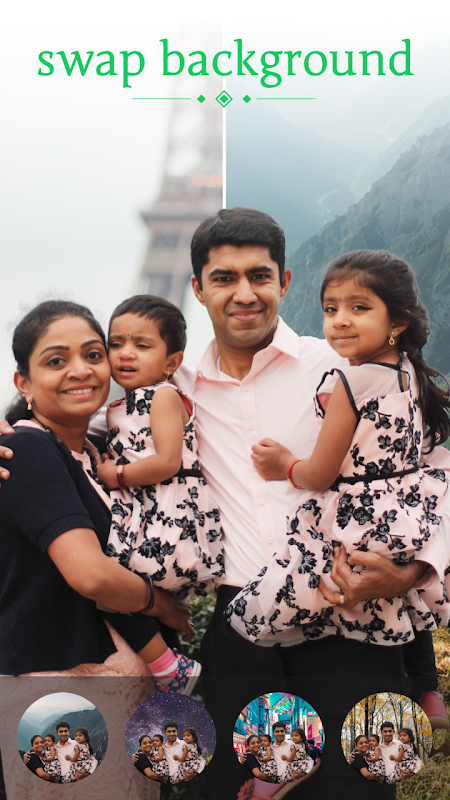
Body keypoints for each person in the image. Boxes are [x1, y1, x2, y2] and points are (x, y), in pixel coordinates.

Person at [1, 209, 449, 798]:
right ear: (197, 288)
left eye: (259, 276)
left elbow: (435, 471)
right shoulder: (172, 389)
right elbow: (71, 438)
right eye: (223, 278)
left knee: (357, 785)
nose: (244, 293)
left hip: (353, 615)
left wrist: (411, 571)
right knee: (227, 788)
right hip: (238, 628)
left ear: (284, 282)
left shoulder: (344, 366)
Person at [0, 301, 192, 800]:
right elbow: (90, 575)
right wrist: (161, 604)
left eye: (92, 354)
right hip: (61, 696)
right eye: (56, 360)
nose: (80, 370)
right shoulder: (27, 450)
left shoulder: (95, 452)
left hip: (110, 692)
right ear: (23, 383)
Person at [228, 249, 450, 644]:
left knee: (255, 613)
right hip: (401, 516)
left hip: (355, 516)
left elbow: (320, 474)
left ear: (397, 321)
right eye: (331, 309)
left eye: (359, 307)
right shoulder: (408, 370)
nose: (340, 320)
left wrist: (283, 464)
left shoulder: (351, 383)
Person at [96, 295, 225, 692]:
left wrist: (116, 476)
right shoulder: (117, 405)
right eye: (116, 343)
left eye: (142, 345)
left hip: (168, 513)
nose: (125, 353)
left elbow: (168, 461)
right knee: (113, 590)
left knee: (110, 588)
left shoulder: (164, 396)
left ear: (172, 362)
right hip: (145, 512)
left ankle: (170, 666)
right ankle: (169, 662)